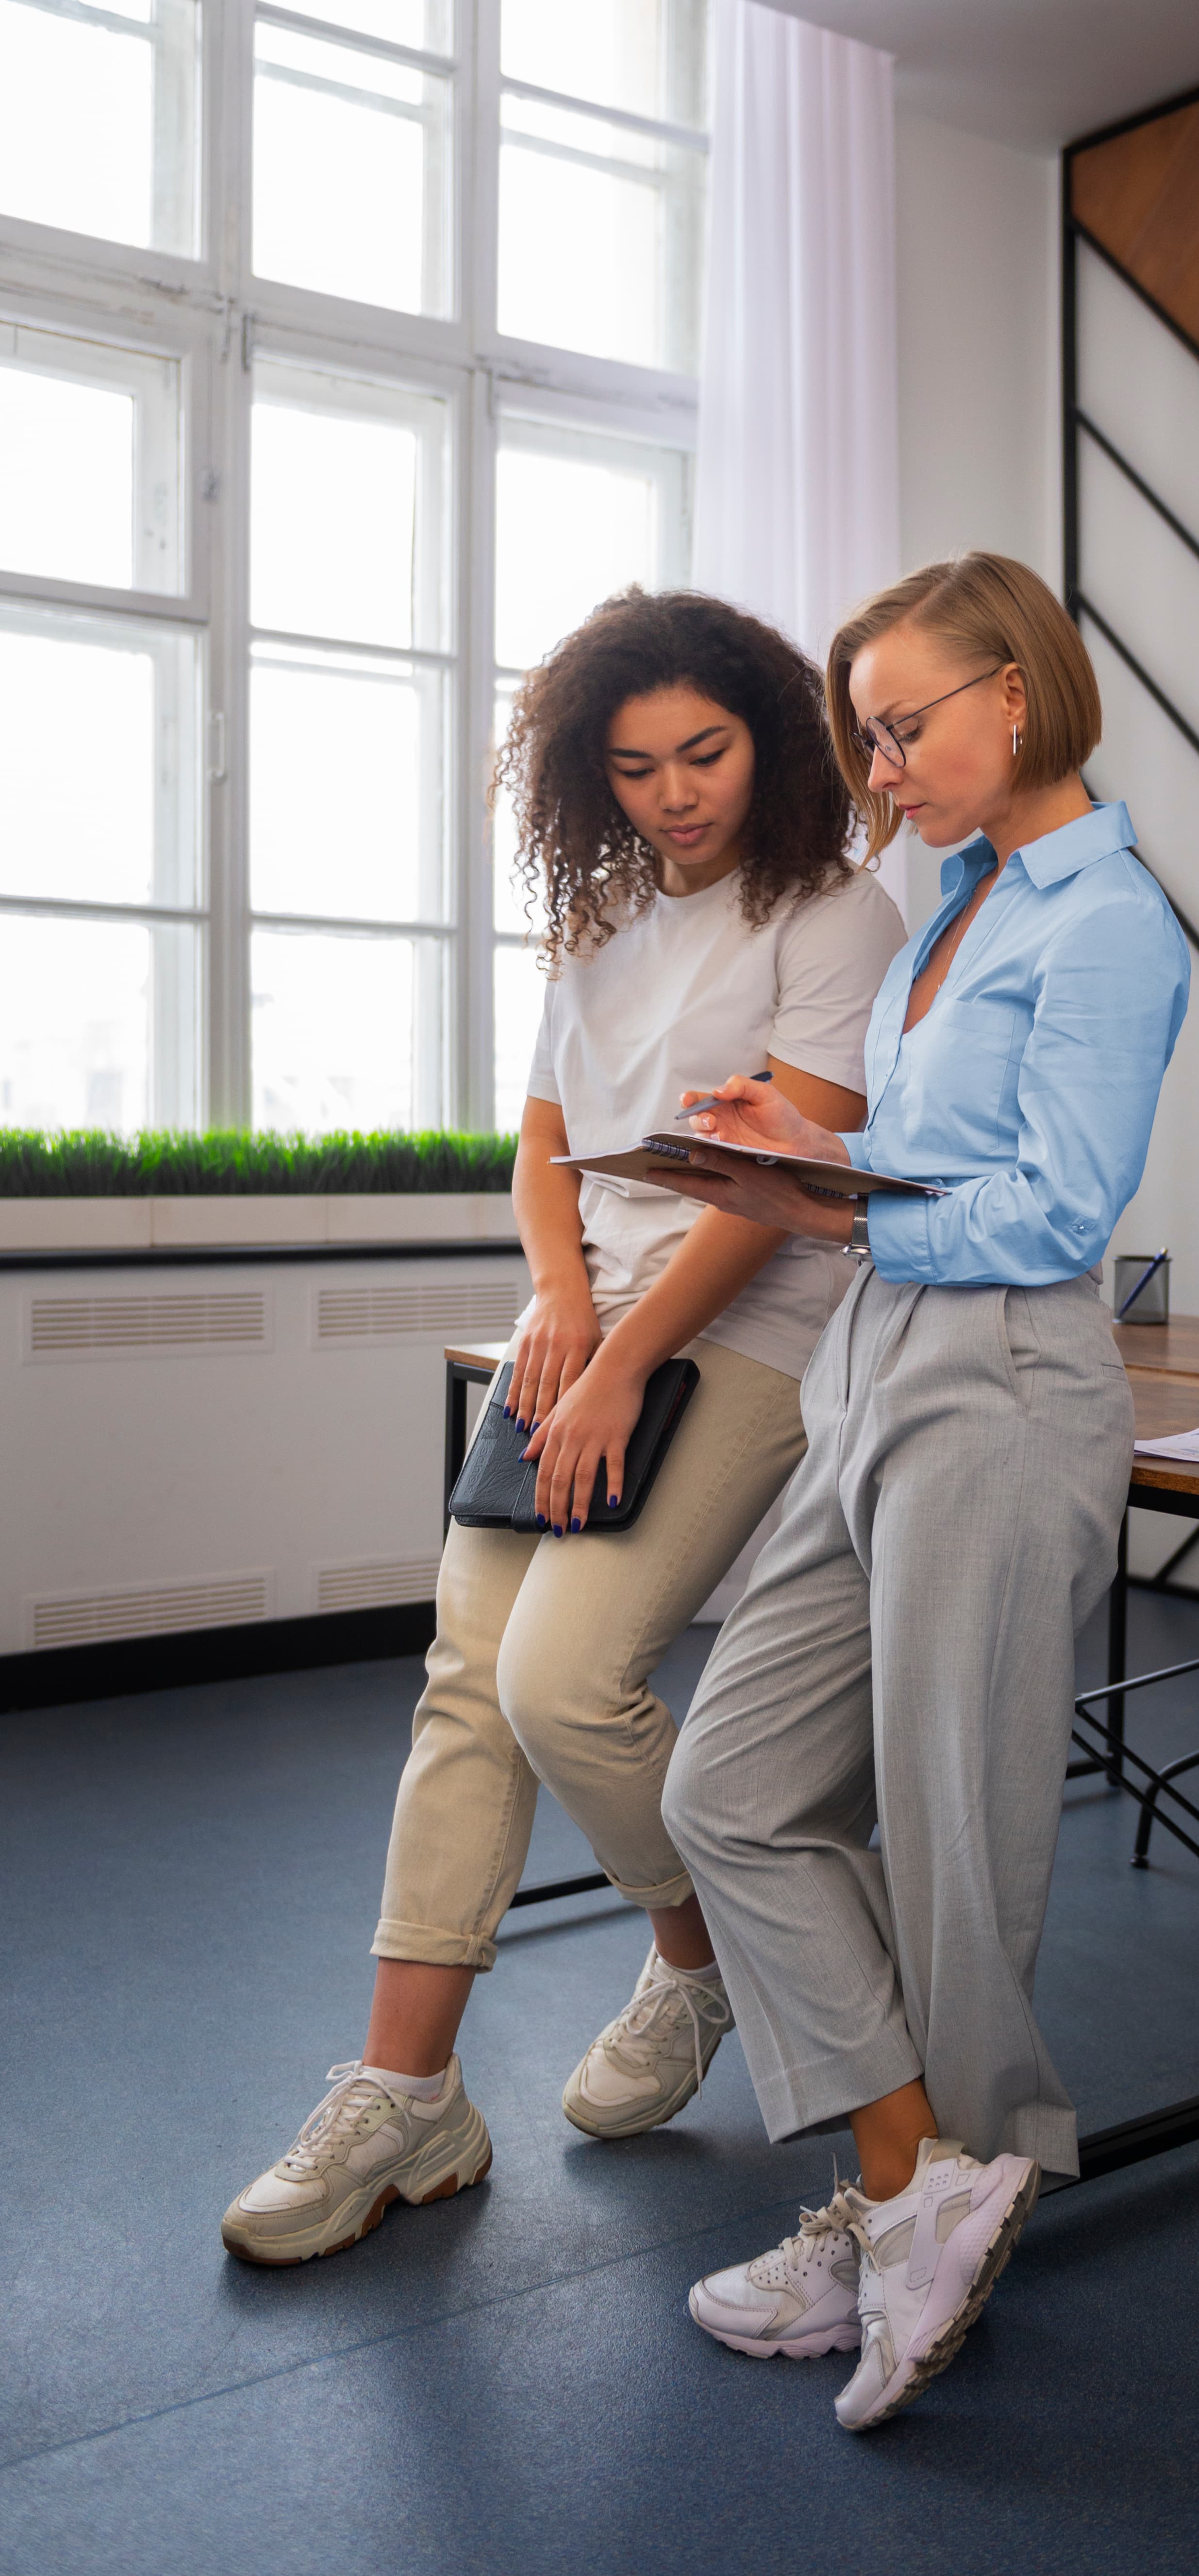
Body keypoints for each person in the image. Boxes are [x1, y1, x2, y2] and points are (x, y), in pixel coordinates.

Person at [221, 589, 905, 2267]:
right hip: (594, 1337)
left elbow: (782, 1180)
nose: (677, 790)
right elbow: (544, 1149)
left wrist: (622, 1354)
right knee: (469, 1676)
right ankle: (412, 2092)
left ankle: (705, 1955)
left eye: (709, 751)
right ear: (586, 777)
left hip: (760, 1331)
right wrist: (561, 1302)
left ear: (768, 738)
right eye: (636, 764)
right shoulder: (596, 927)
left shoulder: (832, 912)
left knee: (560, 1681)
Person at [649, 552, 1190, 2430]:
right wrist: (803, 1141)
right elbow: (930, 1144)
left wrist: (819, 1203)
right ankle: (908, 2179)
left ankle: (939, 2191)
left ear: (1013, 697)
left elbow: (1060, 1207)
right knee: (729, 1787)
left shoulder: (1108, 921)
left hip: (1008, 1374)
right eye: (863, 734)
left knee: (959, 1852)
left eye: (903, 725)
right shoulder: (942, 900)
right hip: (876, 1354)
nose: (878, 767)